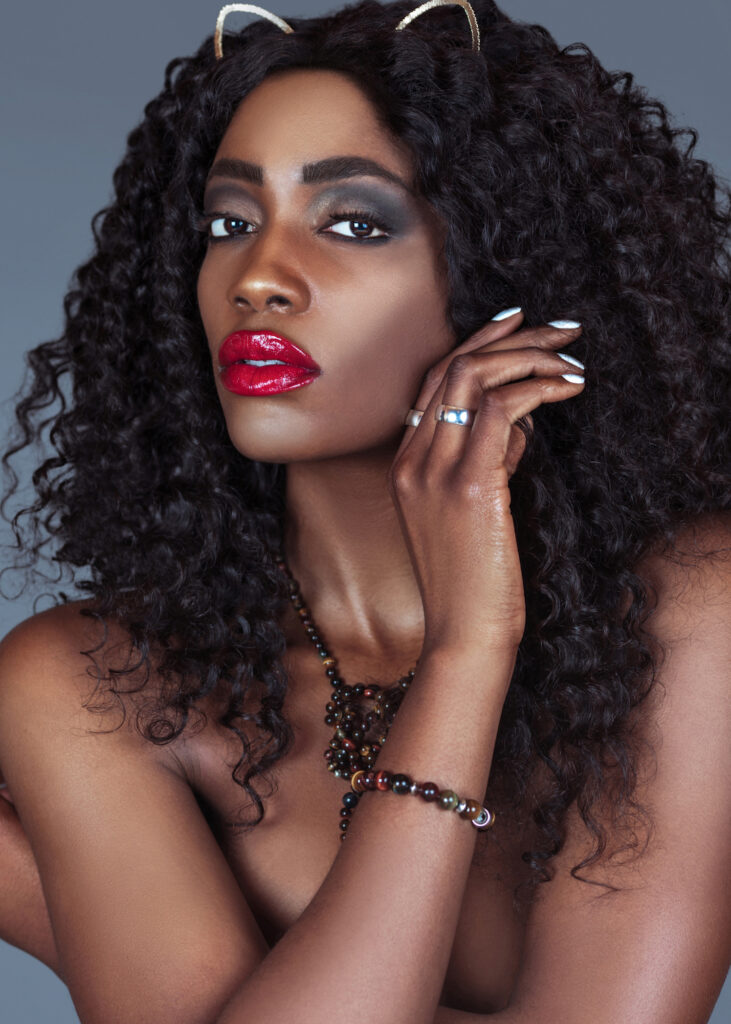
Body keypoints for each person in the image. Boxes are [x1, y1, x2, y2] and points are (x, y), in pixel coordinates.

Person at [0, 0, 728, 1021]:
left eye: (352, 221)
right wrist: (467, 654)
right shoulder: (92, 685)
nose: (257, 277)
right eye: (228, 222)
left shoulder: (687, 613)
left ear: (497, 278)